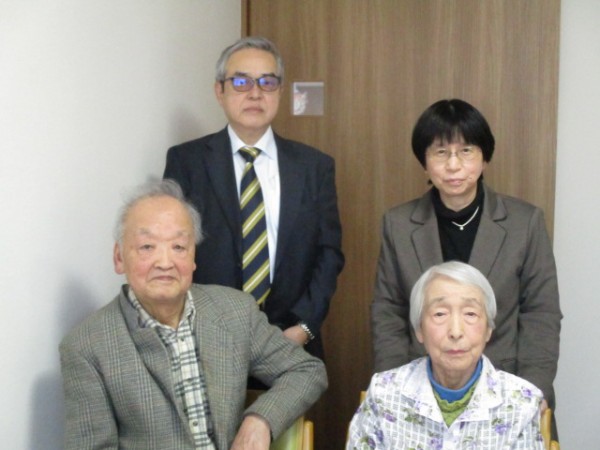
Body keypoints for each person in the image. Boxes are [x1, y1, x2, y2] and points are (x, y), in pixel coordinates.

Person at [59, 179, 327, 450]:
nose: (165, 262)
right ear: (119, 258)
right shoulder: (87, 347)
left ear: (193, 257)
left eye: (178, 247)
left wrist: (261, 419)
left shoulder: (235, 310)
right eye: (147, 247)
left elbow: (306, 370)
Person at [371, 99, 561, 418]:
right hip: (420, 388)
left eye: (466, 151)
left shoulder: (524, 222)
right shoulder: (399, 224)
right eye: (441, 152)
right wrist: (394, 384)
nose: (453, 165)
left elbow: (541, 312)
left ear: (484, 157)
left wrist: (532, 388)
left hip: (506, 384)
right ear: (424, 162)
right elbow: (388, 310)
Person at [163, 36, 344, 358]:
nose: (255, 93)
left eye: (267, 82)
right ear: (219, 91)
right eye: (241, 81)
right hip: (208, 340)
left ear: (280, 91)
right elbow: (173, 248)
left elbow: (328, 254)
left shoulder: (314, 167)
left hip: (291, 341)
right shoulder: (187, 161)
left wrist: (303, 328)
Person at [349, 261, 545, 449]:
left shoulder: (522, 402)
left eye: (470, 314)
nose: (456, 331)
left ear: (488, 329)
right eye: (440, 314)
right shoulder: (384, 393)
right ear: (419, 330)